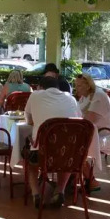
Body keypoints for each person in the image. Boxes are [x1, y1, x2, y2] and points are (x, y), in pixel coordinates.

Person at [24, 76, 82, 209]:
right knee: (65, 157)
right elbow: (79, 119)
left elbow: (29, 120)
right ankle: (60, 190)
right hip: (68, 154)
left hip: (42, 154)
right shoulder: (71, 98)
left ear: (40, 87)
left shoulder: (35, 95)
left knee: (31, 162)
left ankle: (36, 193)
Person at [74, 73, 110, 193]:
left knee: (78, 149)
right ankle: (74, 179)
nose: (76, 88)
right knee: (73, 145)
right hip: (93, 134)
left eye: (79, 86)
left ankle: (91, 181)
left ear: (88, 86)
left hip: (106, 136)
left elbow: (88, 121)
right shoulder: (84, 97)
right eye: (75, 85)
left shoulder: (98, 96)